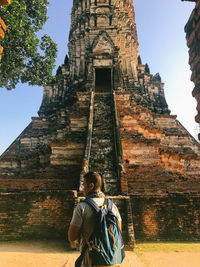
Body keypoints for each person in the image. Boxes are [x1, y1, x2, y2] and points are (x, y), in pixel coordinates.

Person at [68, 171, 122, 267]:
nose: (82, 189)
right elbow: (118, 231)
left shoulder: (82, 207)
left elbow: (72, 237)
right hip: (112, 260)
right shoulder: (112, 206)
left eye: (84, 185)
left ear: (91, 186)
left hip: (92, 260)